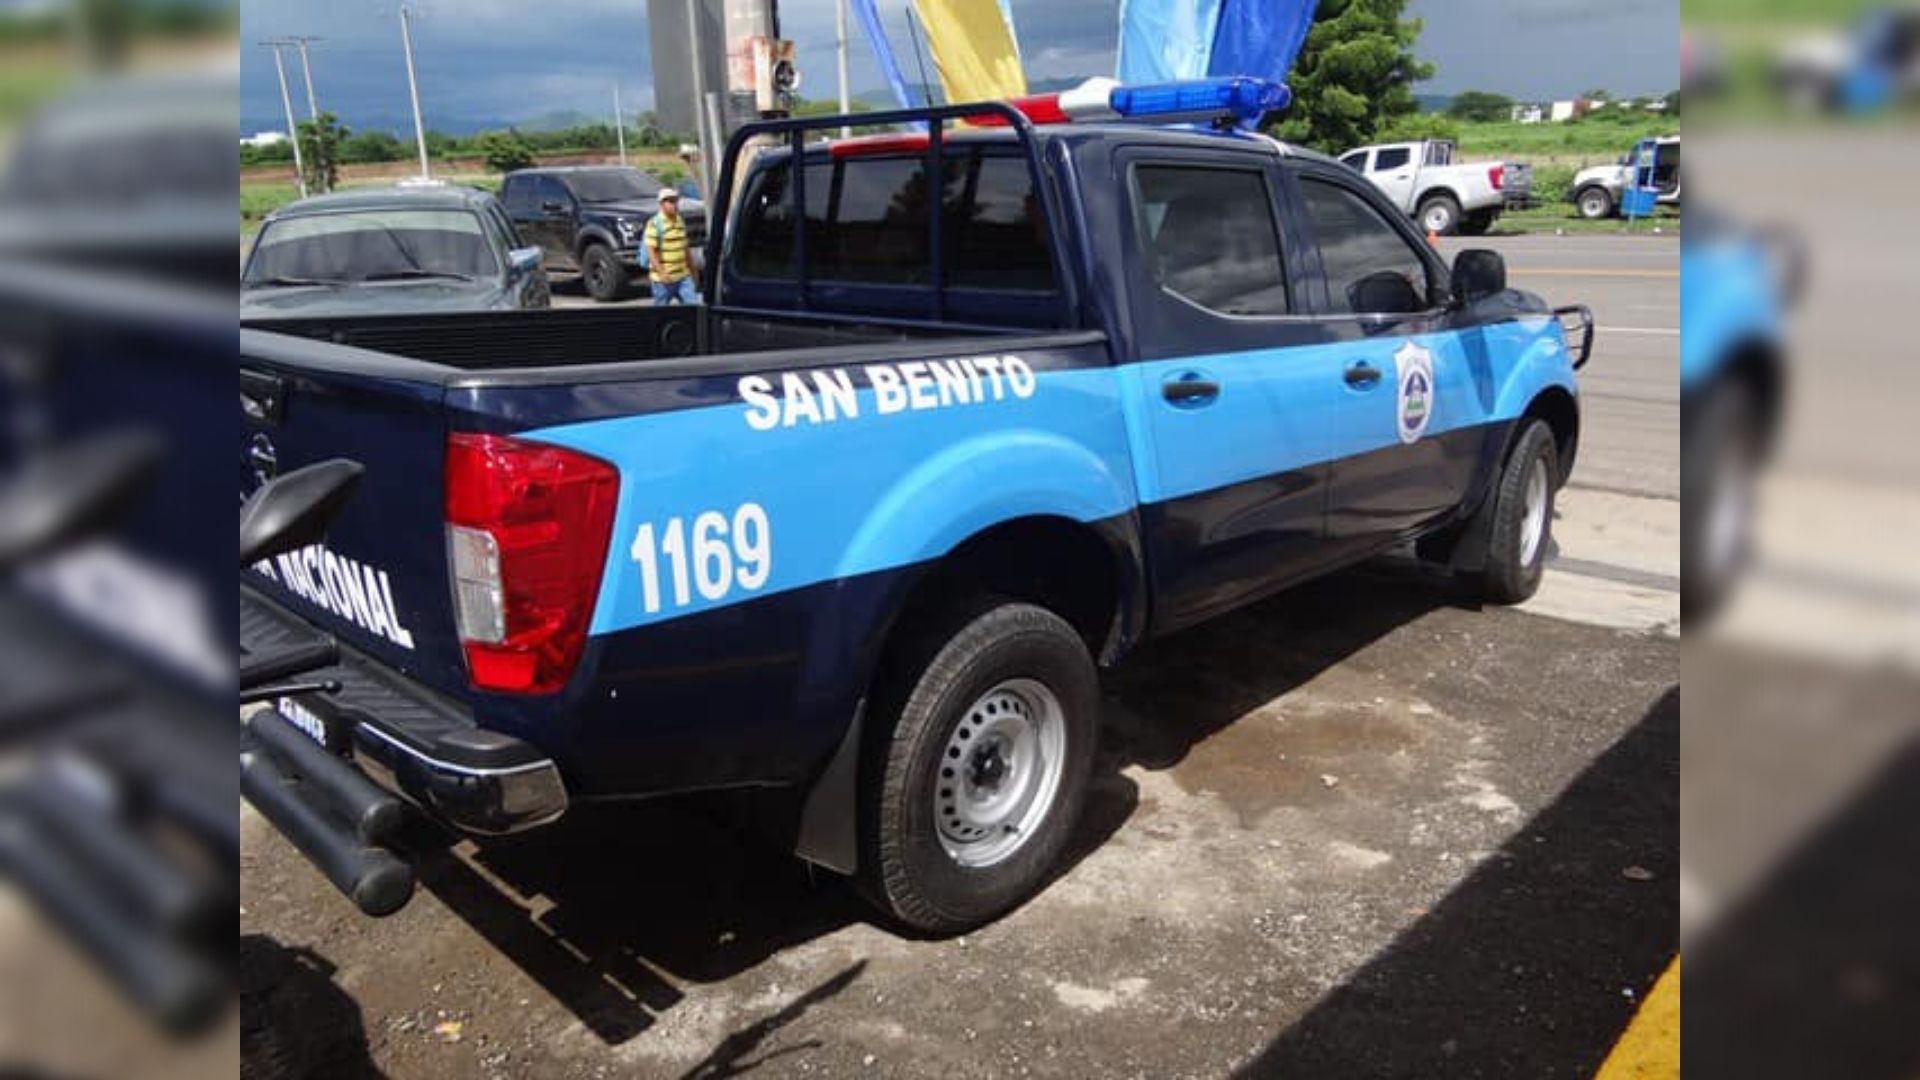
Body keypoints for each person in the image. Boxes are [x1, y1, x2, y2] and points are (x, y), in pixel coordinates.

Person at [644, 188, 698, 305]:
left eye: (675, 201)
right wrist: (662, 273)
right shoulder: (655, 223)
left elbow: (685, 247)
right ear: (662, 204)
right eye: (670, 202)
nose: (674, 205)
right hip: (663, 280)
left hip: (683, 276)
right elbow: (651, 252)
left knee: (693, 309)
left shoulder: (679, 220)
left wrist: (693, 269)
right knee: (661, 313)